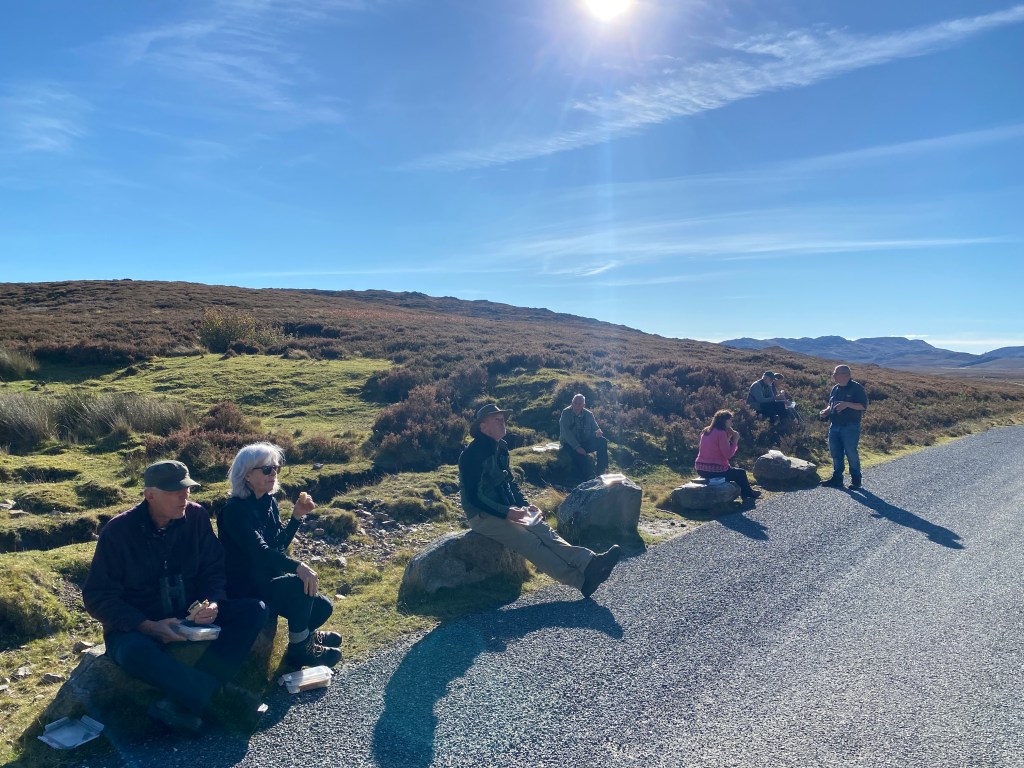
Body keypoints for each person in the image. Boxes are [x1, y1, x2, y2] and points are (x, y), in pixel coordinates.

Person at [83, 460, 269, 733]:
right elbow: (98, 596)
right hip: (138, 625)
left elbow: (213, 568)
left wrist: (213, 602)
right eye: (174, 491)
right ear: (150, 495)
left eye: (187, 489)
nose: (184, 497)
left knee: (254, 610)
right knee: (134, 653)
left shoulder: (196, 517)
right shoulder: (118, 532)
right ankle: (224, 700)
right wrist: (148, 626)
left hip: (188, 615)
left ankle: (177, 704)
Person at [459, 403, 621, 599]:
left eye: (503, 419)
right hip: (482, 515)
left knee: (542, 528)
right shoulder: (472, 455)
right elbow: (474, 496)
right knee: (530, 541)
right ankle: (581, 581)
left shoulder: (500, 448)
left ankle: (589, 563)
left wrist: (525, 506)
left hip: (507, 508)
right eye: (497, 420)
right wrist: (507, 512)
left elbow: (509, 483)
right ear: (483, 427)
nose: (503, 422)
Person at [218, 442, 342, 669]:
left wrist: (296, 517)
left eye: (276, 468)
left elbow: (278, 546)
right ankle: (299, 650)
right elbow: (260, 552)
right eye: (266, 469)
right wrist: (298, 566)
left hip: (268, 581)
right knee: (299, 585)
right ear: (246, 475)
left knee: (324, 606)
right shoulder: (233, 511)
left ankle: (306, 636)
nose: (273, 473)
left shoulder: (269, 503)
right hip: (245, 589)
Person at [819, 364, 869, 489]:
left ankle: (856, 480)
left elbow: (863, 406)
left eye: (836, 373)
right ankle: (837, 479)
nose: (834, 375)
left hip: (850, 426)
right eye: (834, 373)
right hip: (834, 425)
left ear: (846, 375)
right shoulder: (835, 388)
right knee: (835, 453)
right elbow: (831, 404)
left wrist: (847, 404)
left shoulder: (856, 388)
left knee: (851, 453)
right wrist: (826, 411)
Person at [694, 409, 761, 500]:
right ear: (724, 421)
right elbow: (728, 455)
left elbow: (715, 448)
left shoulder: (706, 431)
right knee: (740, 473)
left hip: (701, 469)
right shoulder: (721, 433)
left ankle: (745, 492)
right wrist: (735, 440)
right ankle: (748, 493)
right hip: (715, 470)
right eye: (730, 420)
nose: (731, 423)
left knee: (734, 471)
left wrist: (728, 439)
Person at [558, 393, 609, 479]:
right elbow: (566, 432)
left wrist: (598, 432)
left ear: (583, 405)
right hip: (569, 444)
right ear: (572, 403)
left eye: (580, 403)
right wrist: (577, 447)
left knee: (602, 441)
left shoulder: (589, 414)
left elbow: (596, 428)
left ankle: (602, 471)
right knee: (581, 457)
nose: (577, 405)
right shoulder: (565, 413)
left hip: (584, 442)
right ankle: (590, 476)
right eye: (575, 403)